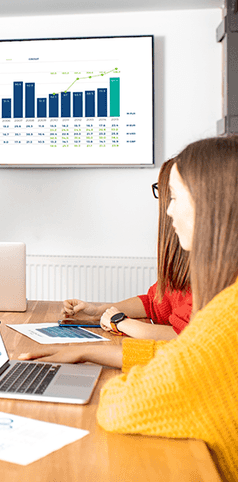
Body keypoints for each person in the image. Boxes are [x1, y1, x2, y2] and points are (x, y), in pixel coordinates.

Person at [21, 136, 238, 482]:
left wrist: (113, 338)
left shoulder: (228, 318)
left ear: (210, 207)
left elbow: (121, 405)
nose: (167, 211)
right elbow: (185, 355)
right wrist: (88, 351)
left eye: (176, 197)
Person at [62, 158, 191, 340]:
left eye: (171, 195)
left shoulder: (210, 272)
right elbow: (153, 303)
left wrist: (121, 322)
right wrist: (98, 311)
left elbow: (185, 336)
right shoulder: (183, 259)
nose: (167, 209)